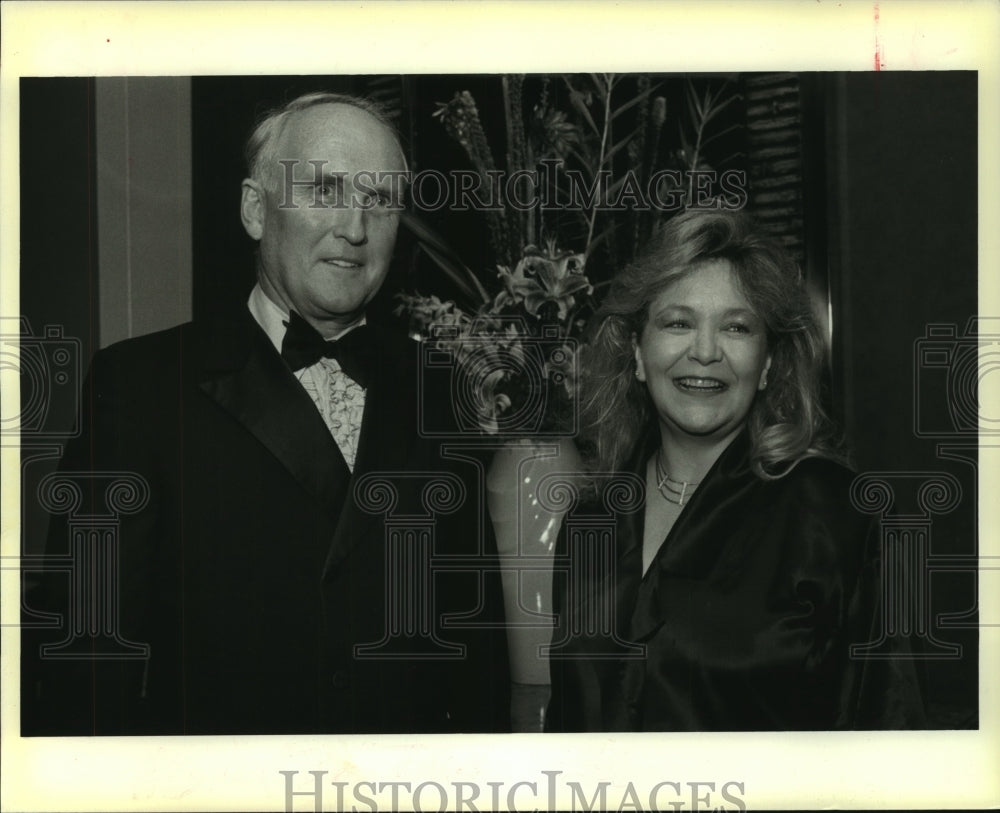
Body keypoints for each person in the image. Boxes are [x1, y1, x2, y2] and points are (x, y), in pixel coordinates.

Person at [22, 92, 509, 735]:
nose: (355, 227)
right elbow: (82, 660)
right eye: (326, 189)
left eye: (381, 200)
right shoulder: (140, 388)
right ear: (256, 209)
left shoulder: (441, 392)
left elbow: (475, 656)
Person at [545, 208, 925, 731]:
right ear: (636, 351)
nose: (704, 352)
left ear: (769, 362)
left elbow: (890, 727)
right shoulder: (589, 521)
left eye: (737, 327)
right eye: (678, 322)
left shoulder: (840, 515)